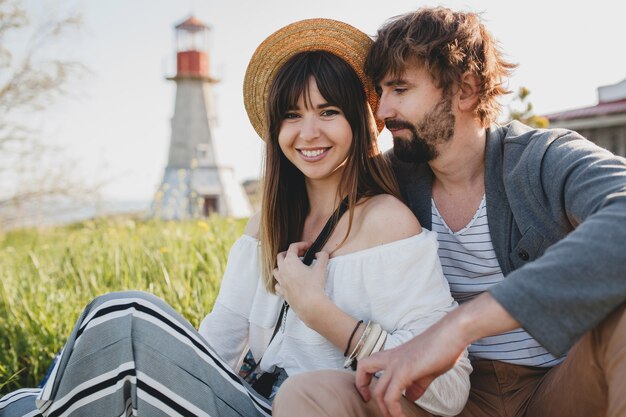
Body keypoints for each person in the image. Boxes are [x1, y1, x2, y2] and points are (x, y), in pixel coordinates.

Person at [0, 18, 471, 417]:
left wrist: (321, 314)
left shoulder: (386, 223)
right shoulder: (265, 225)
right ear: (275, 129)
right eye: (291, 115)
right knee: (64, 370)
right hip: (243, 400)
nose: (308, 133)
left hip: (304, 406)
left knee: (124, 313)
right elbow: (218, 345)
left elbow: (450, 389)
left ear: (356, 120)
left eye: (328, 112)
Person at [272, 7, 626, 417]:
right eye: (381, 92)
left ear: (466, 90)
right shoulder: (387, 180)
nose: (381, 112)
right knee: (307, 396)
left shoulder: (545, 159)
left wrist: (460, 327)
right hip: (448, 401)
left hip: (565, 386)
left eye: (399, 90)